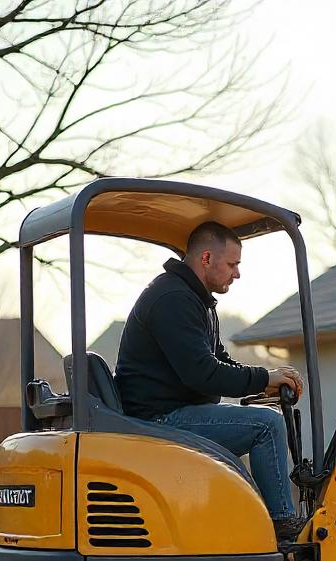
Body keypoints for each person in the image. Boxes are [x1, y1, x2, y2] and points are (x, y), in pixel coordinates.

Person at [115, 221, 304, 539]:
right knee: (266, 425)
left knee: (261, 426)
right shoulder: (172, 299)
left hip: (169, 414)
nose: (237, 274)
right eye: (232, 264)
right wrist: (263, 378)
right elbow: (202, 374)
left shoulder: (194, 300)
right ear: (206, 258)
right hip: (159, 419)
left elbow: (218, 362)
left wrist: (266, 380)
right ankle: (283, 526)